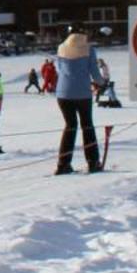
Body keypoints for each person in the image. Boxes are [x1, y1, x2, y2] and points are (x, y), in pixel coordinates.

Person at [53, 32, 101, 174]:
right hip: (82, 93)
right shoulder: (88, 49)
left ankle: (63, 163)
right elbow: (94, 72)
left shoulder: (61, 47)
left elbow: (59, 69)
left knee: (70, 126)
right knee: (87, 126)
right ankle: (93, 161)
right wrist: (101, 83)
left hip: (63, 93)